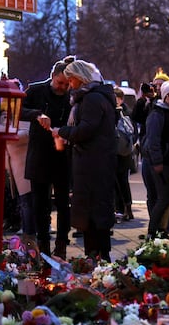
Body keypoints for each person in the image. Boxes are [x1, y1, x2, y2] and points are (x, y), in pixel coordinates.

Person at [52, 60, 116, 261]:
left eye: (70, 80)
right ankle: (97, 255)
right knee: (95, 211)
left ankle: (96, 256)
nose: (70, 84)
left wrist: (62, 131)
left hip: (92, 164)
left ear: (80, 78)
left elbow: (85, 130)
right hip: (95, 162)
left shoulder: (92, 99)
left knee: (93, 212)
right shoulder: (97, 96)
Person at [21, 58, 73, 257]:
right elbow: (18, 111)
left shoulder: (71, 95)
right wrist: (36, 114)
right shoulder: (35, 91)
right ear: (52, 77)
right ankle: (43, 244)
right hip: (40, 155)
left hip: (62, 155)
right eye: (60, 83)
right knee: (40, 203)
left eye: (66, 85)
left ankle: (61, 244)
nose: (63, 88)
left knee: (63, 202)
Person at [141, 80, 169, 239]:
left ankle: (164, 230)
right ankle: (153, 231)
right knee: (163, 197)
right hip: (162, 162)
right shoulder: (157, 113)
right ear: (164, 96)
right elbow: (153, 140)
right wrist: (157, 162)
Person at [113, 87, 135, 222]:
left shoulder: (123, 113)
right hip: (122, 152)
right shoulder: (126, 112)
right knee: (119, 182)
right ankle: (125, 209)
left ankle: (123, 209)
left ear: (121, 99)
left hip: (121, 153)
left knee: (121, 182)